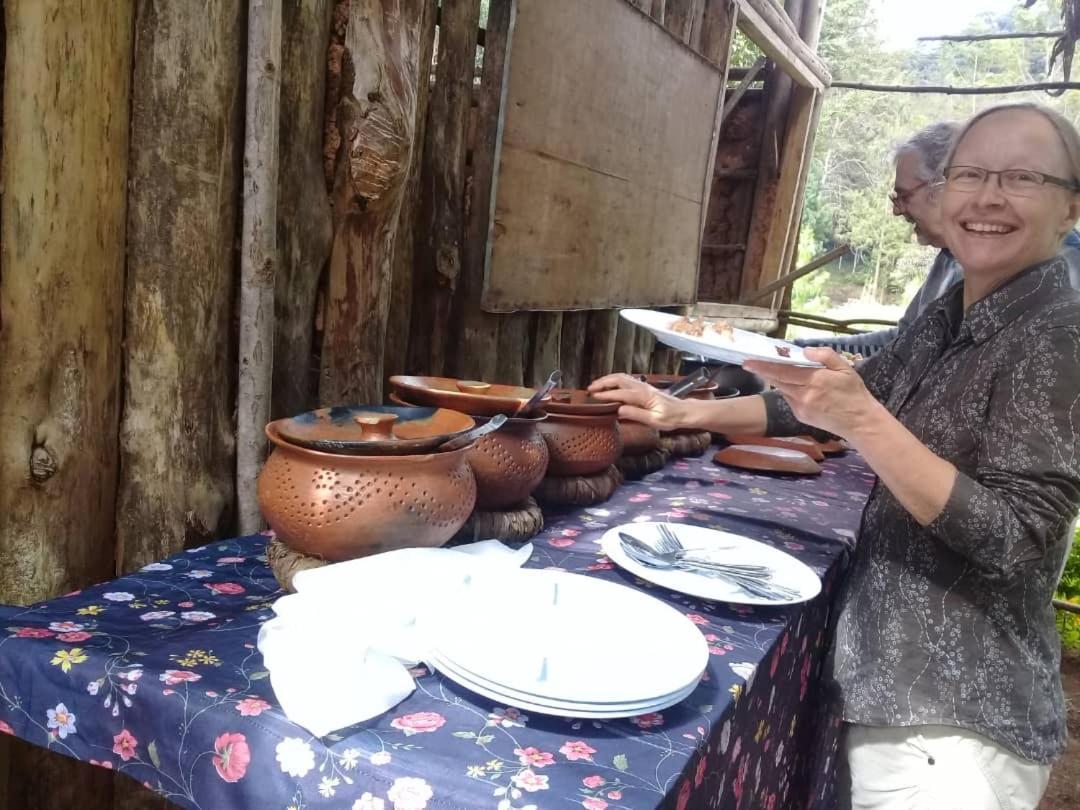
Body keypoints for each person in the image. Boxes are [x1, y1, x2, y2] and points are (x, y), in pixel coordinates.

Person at [590, 102, 1080, 809]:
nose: (989, 195)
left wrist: (865, 421)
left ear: (1070, 208)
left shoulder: (1058, 334)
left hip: (952, 729)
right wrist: (683, 411)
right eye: (971, 173)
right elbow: (828, 396)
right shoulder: (954, 313)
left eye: (1022, 177)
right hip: (897, 686)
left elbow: (1015, 538)